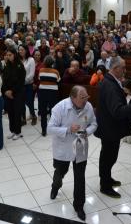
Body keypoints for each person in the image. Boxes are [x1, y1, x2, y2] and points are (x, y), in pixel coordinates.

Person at [95, 56, 131, 198]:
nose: (125, 70)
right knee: (108, 157)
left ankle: (106, 178)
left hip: (109, 127)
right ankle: (105, 186)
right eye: (123, 68)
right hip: (109, 128)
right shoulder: (110, 85)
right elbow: (117, 112)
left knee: (108, 156)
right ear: (115, 68)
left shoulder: (111, 81)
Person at [48, 86, 98, 221]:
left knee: (80, 177)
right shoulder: (60, 107)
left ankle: (79, 205)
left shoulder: (88, 106)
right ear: (73, 98)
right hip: (63, 147)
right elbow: (50, 128)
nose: (86, 100)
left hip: (80, 146)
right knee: (60, 171)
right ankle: (55, 186)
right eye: (83, 97)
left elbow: (94, 123)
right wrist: (68, 129)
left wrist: (87, 132)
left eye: (87, 97)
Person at [2, 47, 26, 140]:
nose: (8, 57)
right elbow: (4, 80)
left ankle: (18, 132)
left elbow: (21, 81)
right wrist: (6, 91)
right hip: (8, 93)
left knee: (17, 112)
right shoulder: (7, 65)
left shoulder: (20, 65)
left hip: (17, 92)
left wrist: (12, 91)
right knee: (10, 112)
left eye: (10, 55)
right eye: (7, 55)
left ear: (14, 55)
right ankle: (12, 131)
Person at [38, 56, 61, 136]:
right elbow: (58, 80)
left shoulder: (41, 70)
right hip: (53, 92)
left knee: (43, 111)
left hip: (42, 91)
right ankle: (53, 128)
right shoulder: (55, 72)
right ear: (52, 63)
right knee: (53, 110)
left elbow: (39, 79)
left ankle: (44, 130)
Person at [18, 45, 37, 125]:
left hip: (28, 84)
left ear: (26, 50)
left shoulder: (31, 60)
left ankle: (33, 116)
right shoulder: (18, 60)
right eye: (19, 50)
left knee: (29, 102)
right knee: (21, 102)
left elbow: (32, 74)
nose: (20, 51)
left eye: (22, 50)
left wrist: (23, 81)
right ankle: (23, 119)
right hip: (20, 85)